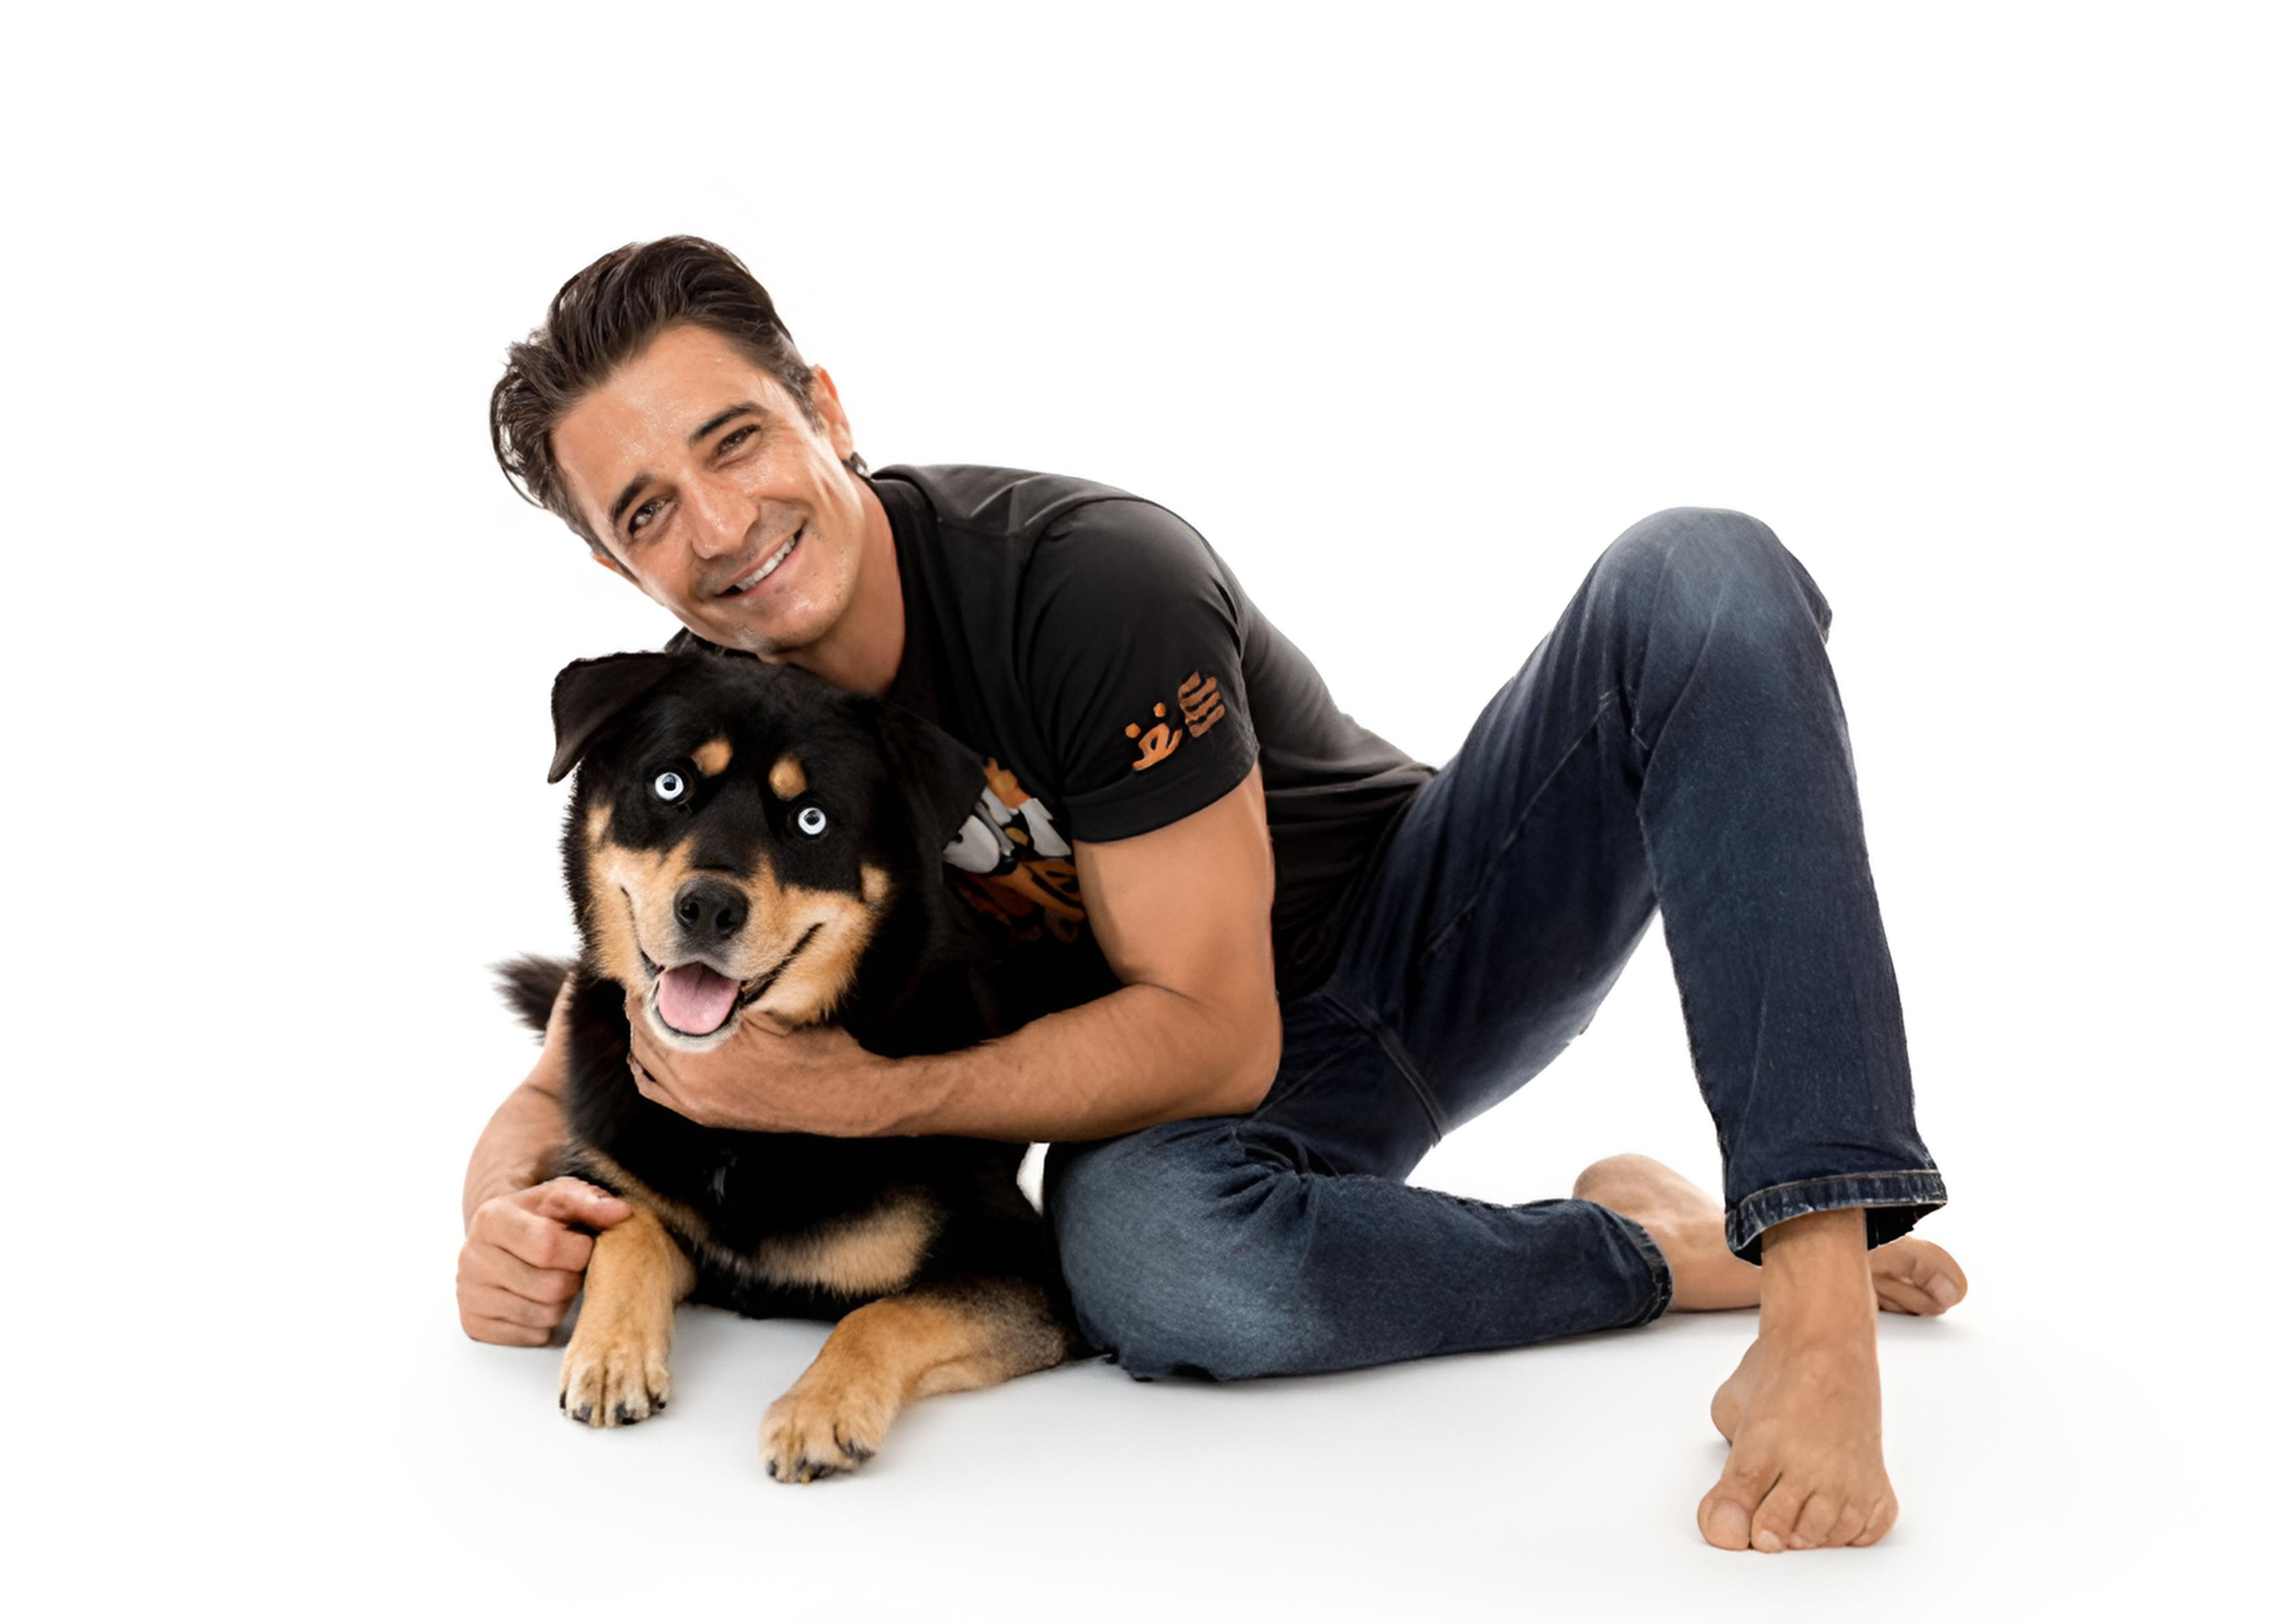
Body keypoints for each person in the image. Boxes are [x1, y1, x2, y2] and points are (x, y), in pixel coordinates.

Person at [459, 236, 1965, 1554]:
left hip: (1421, 936)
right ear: (612, 561)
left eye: (734, 442)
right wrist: (497, 1225)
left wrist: (849, 1101)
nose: (717, 527)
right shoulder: (729, 734)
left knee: (1697, 575)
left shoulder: (1082, 585)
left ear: (826, 411)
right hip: (1188, 1108)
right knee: (1149, 1266)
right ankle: (1647, 1245)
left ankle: (1814, 1293)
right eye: (647, 511)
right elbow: (597, 1039)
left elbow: (1220, 1032)